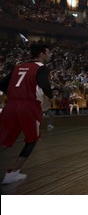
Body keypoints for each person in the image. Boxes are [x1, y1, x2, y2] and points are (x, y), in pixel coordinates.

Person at [0, 43, 53, 184]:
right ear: (41, 54)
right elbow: (45, 85)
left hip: (10, 105)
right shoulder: (42, 68)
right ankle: (13, 173)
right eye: (48, 52)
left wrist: (15, 95)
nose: (49, 55)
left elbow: (1, 83)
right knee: (32, 139)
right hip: (29, 106)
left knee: (5, 140)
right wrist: (50, 97)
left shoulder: (18, 66)